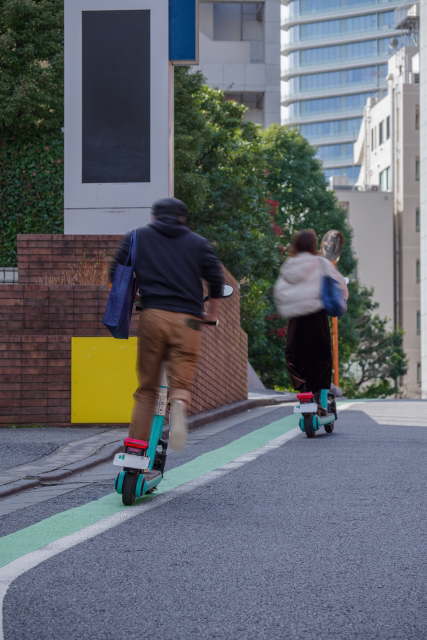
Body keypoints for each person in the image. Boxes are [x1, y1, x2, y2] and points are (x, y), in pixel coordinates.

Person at [110, 197, 224, 450]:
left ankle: (135, 449)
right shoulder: (198, 243)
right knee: (181, 382)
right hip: (190, 320)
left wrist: (139, 295)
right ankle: (180, 404)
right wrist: (211, 314)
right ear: (184, 218)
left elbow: (116, 272)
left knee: (147, 389)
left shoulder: (137, 237)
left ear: (154, 217)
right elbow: (216, 280)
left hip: (153, 315)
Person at [273, 229, 348, 413]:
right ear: (314, 245)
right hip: (317, 319)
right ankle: (319, 397)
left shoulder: (289, 266)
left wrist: (292, 306)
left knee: (294, 359)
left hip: (296, 322)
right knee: (321, 360)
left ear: (295, 246)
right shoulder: (322, 263)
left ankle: (305, 392)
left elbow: (279, 293)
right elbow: (341, 289)